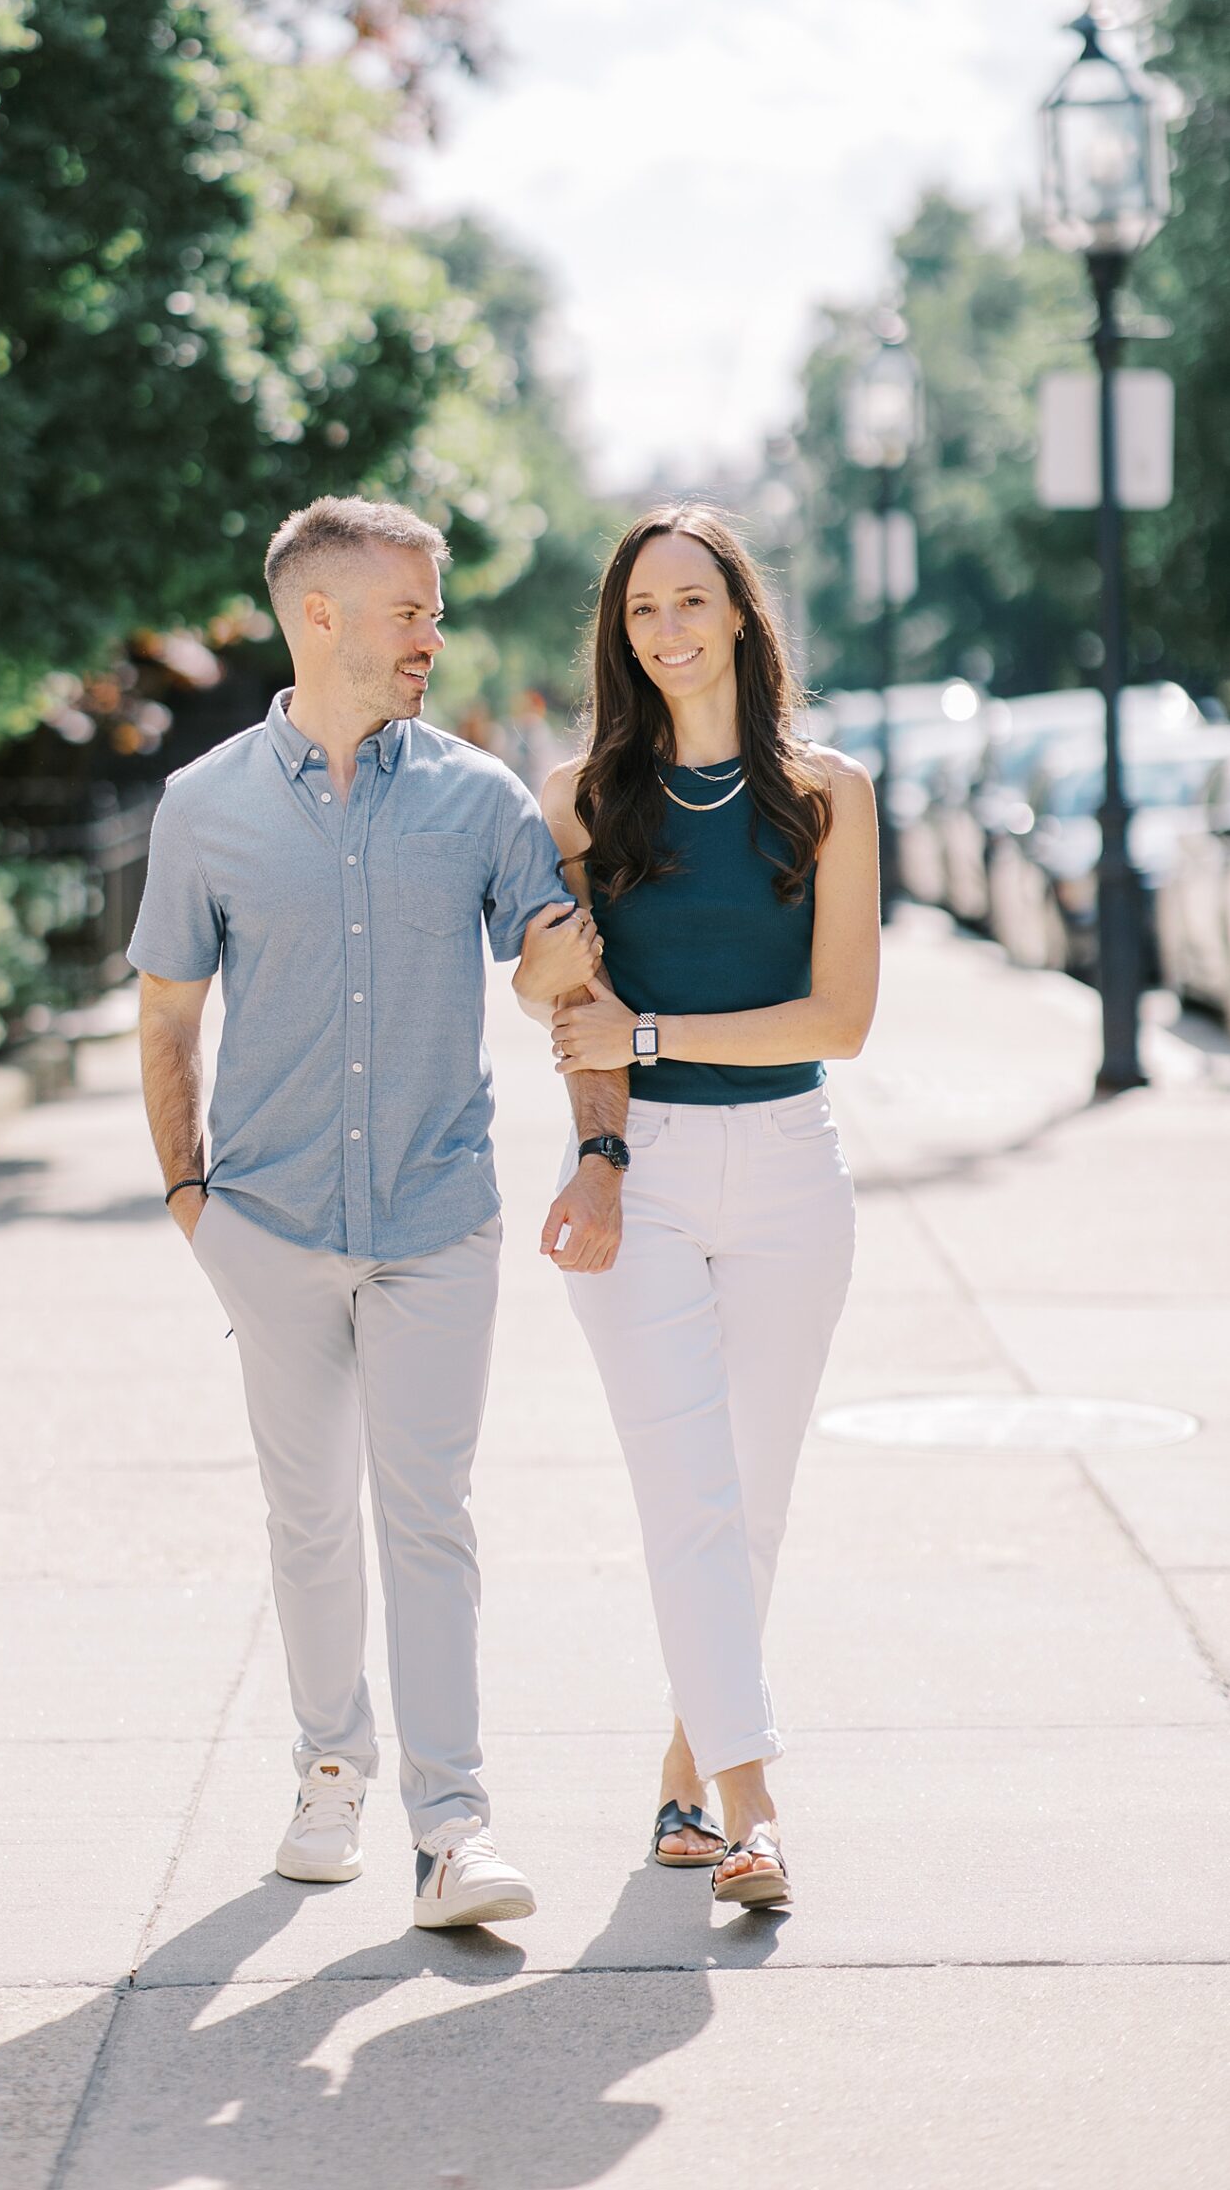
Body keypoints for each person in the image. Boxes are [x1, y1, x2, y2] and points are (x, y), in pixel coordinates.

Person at [128, 494, 598, 1928]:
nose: (433, 638)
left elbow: (546, 970)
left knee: (427, 1515)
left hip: (436, 1216)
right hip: (264, 1227)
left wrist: (562, 950)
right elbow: (165, 1020)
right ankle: (328, 1769)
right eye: (411, 610)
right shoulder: (203, 806)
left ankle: (453, 1825)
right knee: (306, 1516)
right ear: (318, 614)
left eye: (435, 611)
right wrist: (191, 1200)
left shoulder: (480, 797)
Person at [522, 504, 878, 1911]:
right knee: (688, 1495)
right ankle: (756, 1812)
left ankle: (683, 1770)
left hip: (794, 1166)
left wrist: (646, 1033)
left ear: (739, 613)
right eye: (641, 612)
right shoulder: (577, 800)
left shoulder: (828, 789)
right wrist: (591, 1084)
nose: (666, 631)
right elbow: (560, 1003)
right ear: (623, 636)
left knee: (753, 1503)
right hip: (641, 1177)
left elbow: (839, 1020)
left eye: (690, 601)